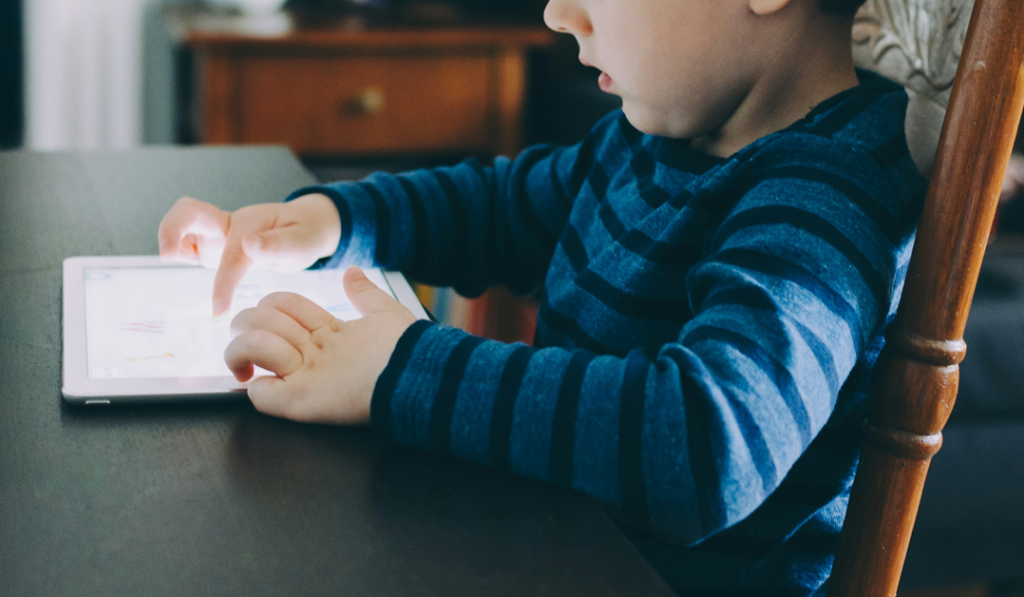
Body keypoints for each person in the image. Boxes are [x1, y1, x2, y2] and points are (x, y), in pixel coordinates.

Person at [158, 0, 926, 592]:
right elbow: (499, 208)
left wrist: (400, 364)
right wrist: (332, 220)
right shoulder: (655, 139)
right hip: (557, 547)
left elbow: (706, 444)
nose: (559, 13)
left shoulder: (827, 197)